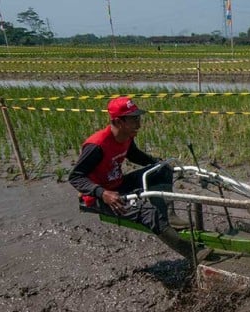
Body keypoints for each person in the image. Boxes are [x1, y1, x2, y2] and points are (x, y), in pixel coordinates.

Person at [69, 96, 193, 262]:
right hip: (103, 196)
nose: (139, 124)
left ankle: (168, 216)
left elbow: (133, 154)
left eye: (138, 118)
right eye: (134, 119)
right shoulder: (97, 146)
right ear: (119, 122)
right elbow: (75, 177)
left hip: (118, 183)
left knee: (163, 170)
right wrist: (102, 193)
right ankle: (195, 254)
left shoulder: (127, 136)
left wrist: (156, 162)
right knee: (149, 212)